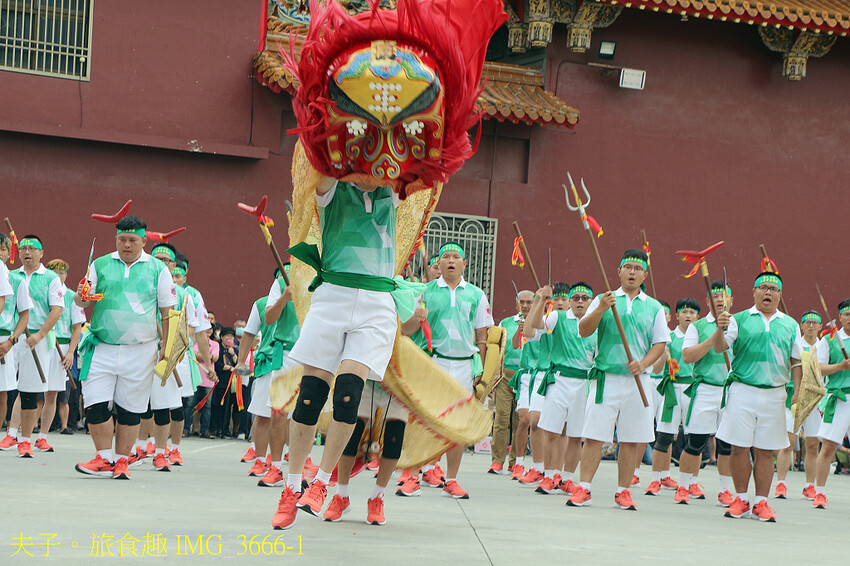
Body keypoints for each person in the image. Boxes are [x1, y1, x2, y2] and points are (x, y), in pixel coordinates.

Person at [273, 175, 417, 530]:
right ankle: (291, 488)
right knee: (310, 397)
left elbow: (418, 168)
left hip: (376, 303)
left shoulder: (392, 193)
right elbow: (321, 163)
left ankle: (321, 482)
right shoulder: (331, 189)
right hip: (333, 295)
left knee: (349, 393)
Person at [74, 216, 176, 480]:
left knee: (131, 409)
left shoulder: (157, 269)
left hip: (141, 350)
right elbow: (84, 301)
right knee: (95, 404)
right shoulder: (100, 264)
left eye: (132, 240)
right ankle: (103, 458)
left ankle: (121, 462)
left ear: (144, 240)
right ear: (115, 239)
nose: (127, 245)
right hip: (101, 346)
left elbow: (168, 312)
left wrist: (167, 343)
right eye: (122, 239)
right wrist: (80, 295)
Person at [567, 249, 669, 510]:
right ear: (619, 271)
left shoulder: (654, 307)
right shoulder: (604, 299)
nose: (632, 272)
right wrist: (601, 308)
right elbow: (583, 329)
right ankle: (584, 488)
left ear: (645, 274)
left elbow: (659, 343)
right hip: (606, 378)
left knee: (632, 439)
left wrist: (643, 364)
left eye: (637, 268)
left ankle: (623, 491)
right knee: (593, 436)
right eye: (628, 267)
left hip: (638, 380)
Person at [713, 271, 800, 522]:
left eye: (774, 289)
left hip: (775, 395)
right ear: (754, 292)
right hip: (742, 390)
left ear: (780, 295)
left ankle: (761, 503)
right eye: (763, 288)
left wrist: (796, 393)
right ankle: (740, 499)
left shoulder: (790, 324)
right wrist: (720, 328)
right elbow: (720, 347)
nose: (768, 292)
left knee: (765, 451)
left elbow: (796, 361)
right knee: (739, 448)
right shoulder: (738, 319)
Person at [529, 282, 596, 495]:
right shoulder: (558, 318)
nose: (579, 302)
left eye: (584, 298)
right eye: (575, 297)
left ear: (591, 302)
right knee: (551, 432)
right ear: (569, 300)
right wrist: (540, 300)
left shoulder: (596, 323)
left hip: (584, 382)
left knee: (576, 435)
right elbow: (533, 327)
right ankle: (549, 477)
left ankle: (567, 479)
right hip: (559, 379)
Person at [679, 281, 735, 506]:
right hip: (705, 389)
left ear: (732, 300)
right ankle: (683, 487)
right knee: (695, 442)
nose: (719, 299)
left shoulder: (739, 325)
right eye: (714, 296)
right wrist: (714, 337)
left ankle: (725, 490)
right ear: (707, 302)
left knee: (727, 445)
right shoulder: (698, 326)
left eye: (724, 296)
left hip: (731, 391)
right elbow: (688, 356)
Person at [11, 235, 65, 457]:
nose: (27, 252)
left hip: (35, 340)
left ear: (41, 253)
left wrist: (40, 334)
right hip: (10, 337)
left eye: (33, 248)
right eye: (24, 247)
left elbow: (57, 309)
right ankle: (10, 433)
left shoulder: (51, 278)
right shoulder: (11, 276)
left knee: (30, 392)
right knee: (6, 388)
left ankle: (25, 440)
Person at [647, 298, 700, 499]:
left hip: (692, 389)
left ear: (697, 316)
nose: (688, 316)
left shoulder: (700, 338)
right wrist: (663, 354)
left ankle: (692, 482)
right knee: (664, 436)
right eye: (684, 312)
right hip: (671, 388)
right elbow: (657, 369)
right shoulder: (667, 337)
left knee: (694, 437)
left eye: (692, 312)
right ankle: (657, 478)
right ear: (677, 315)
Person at [775, 310, 822, 500]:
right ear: (801, 326)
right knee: (788, 444)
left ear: (820, 326)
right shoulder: (794, 346)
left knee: (812, 446)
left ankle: (809, 486)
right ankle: (781, 484)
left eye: (814, 322)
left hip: (815, 402)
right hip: (792, 400)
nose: (811, 325)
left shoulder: (824, 347)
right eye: (807, 322)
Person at [488, 289, 533, 474]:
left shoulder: (541, 323)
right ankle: (497, 460)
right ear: (516, 304)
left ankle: (515, 461)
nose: (525, 305)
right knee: (501, 419)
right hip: (506, 376)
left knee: (521, 421)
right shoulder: (506, 323)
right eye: (521, 302)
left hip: (526, 375)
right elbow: (497, 350)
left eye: (529, 302)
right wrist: (491, 377)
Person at [812, 299, 850, 509]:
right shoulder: (828, 340)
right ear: (841, 317)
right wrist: (841, 366)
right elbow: (818, 369)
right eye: (847, 314)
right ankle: (820, 493)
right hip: (840, 398)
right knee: (828, 448)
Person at [45, 259, 86, 436]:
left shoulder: (71, 297)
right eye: (54, 272)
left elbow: (77, 326)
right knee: (36, 394)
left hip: (61, 345)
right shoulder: (42, 293)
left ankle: (55, 430)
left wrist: (70, 352)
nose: (58, 276)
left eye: (62, 273)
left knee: (57, 394)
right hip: (42, 341)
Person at [0, 236, 33, 449]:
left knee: (2, 392)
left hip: (4, 339)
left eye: (3, 249)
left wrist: (11, 341)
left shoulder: (17, 281)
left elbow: (24, 315)